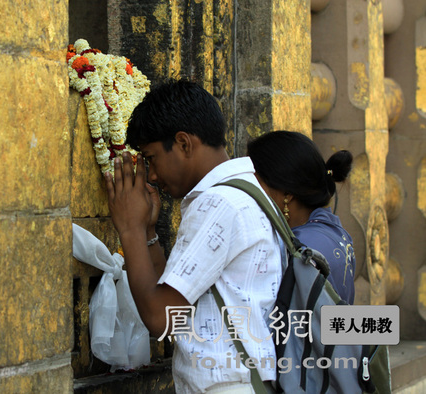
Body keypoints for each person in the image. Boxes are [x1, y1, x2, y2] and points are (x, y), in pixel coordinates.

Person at [104, 79, 283, 393]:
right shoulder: (247, 192)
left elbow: (163, 319)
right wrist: (147, 233)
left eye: (151, 158)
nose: (153, 175)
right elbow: (178, 304)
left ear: (184, 144)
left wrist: (129, 228)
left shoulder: (217, 203)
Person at [247, 130, 356, 304]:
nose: (251, 195)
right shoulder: (333, 229)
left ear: (287, 194)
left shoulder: (299, 251)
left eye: (255, 185)